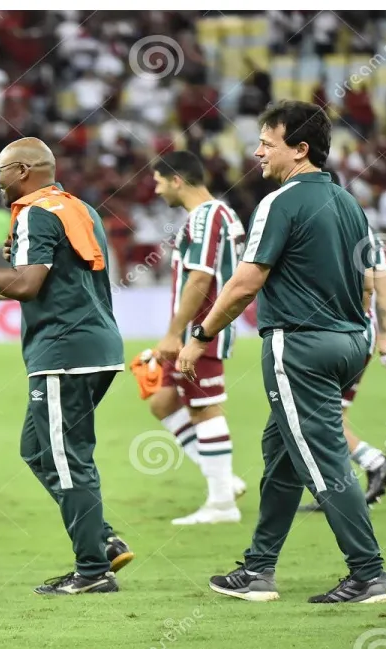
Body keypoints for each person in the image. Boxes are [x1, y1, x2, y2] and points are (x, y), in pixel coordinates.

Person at [178, 101, 386, 603]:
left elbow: (244, 284)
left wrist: (201, 334)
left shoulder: (280, 202)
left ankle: (368, 574)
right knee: (282, 455)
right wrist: (367, 336)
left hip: (297, 345)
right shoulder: (347, 203)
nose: (257, 152)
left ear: (299, 150)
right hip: (347, 342)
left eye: (266, 143)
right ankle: (258, 570)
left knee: (323, 464)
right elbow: (369, 279)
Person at [0, 138, 133, 595]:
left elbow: (27, 285)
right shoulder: (79, 208)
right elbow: (44, 281)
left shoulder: (36, 212)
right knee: (37, 450)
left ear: (21, 170)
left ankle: (93, 571)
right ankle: (101, 538)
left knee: (68, 458)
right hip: (94, 347)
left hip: (64, 351)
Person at [150, 151, 248, 525]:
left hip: (202, 332)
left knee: (203, 409)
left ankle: (221, 502)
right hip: (196, 329)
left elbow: (200, 278)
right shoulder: (217, 215)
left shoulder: (206, 217)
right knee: (162, 401)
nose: (157, 190)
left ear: (177, 179)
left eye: (159, 182)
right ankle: (224, 478)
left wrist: (176, 334)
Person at [299, 224, 386, 512]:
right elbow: (384, 283)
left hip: (338, 333)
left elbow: (373, 283)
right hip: (359, 333)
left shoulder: (315, 226)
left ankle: (375, 463)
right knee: (328, 416)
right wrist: (383, 335)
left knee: (316, 418)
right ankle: (341, 490)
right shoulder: (363, 229)